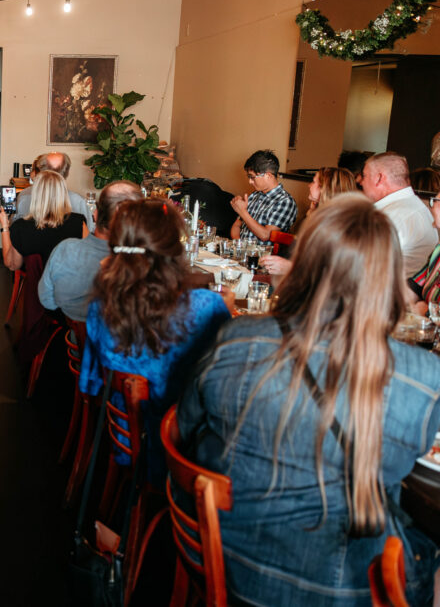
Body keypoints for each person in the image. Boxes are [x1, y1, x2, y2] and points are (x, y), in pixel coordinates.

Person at [177, 195, 440, 605]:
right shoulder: (421, 378)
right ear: (389, 277)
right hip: (338, 589)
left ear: (303, 261)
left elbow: (186, 429)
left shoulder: (236, 337)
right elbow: (406, 461)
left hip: (219, 555)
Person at [79, 199, 231, 481]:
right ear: (175, 250)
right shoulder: (205, 307)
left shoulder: (102, 306)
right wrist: (227, 314)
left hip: (125, 436)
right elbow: (224, 392)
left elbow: (90, 383)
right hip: (182, 454)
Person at [39, 181, 142, 322]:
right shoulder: (145, 262)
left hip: (72, 330)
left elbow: (47, 301)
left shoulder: (65, 249)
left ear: (95, 214)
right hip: (122, 334)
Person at [260, 167, 357, 276]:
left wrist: (289, 268)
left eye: (313, 182)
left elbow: (327, 271)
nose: (309, 185)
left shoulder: (337, 227)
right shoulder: (317, 216)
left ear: (324, 189)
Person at [361, 151, 437, 278]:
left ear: (379, 178)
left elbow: (362, 267)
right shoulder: (413, 206)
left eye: (364, 176)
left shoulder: (392, 217)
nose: (360, 181)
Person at [0, 170, 87, 271]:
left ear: (36, 194)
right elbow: (87, 259)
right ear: (63, 193)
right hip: (71, 280)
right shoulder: (79, 222)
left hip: (37, 281)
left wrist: (5, 226)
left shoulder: (21, 227)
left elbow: (12, 265)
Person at [15, 152, 94, 232]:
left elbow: (15, 229)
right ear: (67, 173)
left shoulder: (24, 197)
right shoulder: (78, 201)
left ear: (40, 171)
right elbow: (89, 232)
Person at [229, 149, 297, 242]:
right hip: (240, 248)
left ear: (268, 176)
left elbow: (266, 235)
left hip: (261, 251)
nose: (250, 182)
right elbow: (237, 226)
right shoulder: (254, 195)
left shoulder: (285, 202)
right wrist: (239, 245)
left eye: (252, 177)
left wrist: (242, 212)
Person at [410, 192, 440, 313]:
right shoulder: (438, 250)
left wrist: (426, 311)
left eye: (435, 201)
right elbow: (415, 285)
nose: (430, 207)